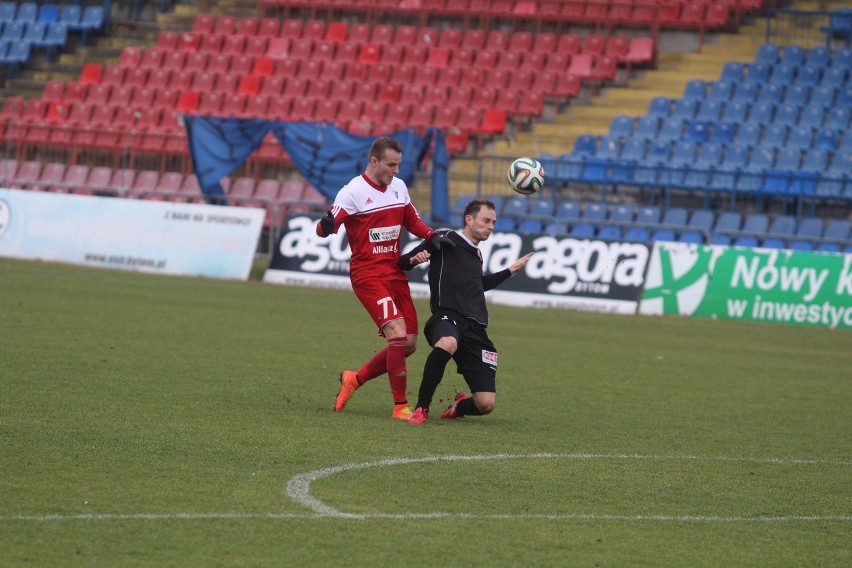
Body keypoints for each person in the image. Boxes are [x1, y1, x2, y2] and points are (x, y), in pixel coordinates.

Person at [316, 136, 455, 420]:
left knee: (409, 344)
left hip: (394, 272)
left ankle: (354, 379)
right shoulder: (352, 192)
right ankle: (400, 406)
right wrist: (324, 225)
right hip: (367, 275)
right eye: (391, 165)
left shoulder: (399, 188)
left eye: (398, 165)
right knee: (397, 333)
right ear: (374, 161)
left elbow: (411, 219)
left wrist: (431, 235)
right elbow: (326, 226)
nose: (396, 171)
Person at [398, 198, 533, 424]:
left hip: (475, 327)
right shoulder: (446, 238)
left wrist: (512, 270)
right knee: (448, 342)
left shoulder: (477, 254)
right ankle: (421, 408)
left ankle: (459, 405)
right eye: (486, 220)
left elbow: (478, 285)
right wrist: (415, 258)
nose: (491, 226)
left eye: (494, 222)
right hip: (447, 316)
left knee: (486, 404)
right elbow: (404, 261)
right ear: (469, 220)